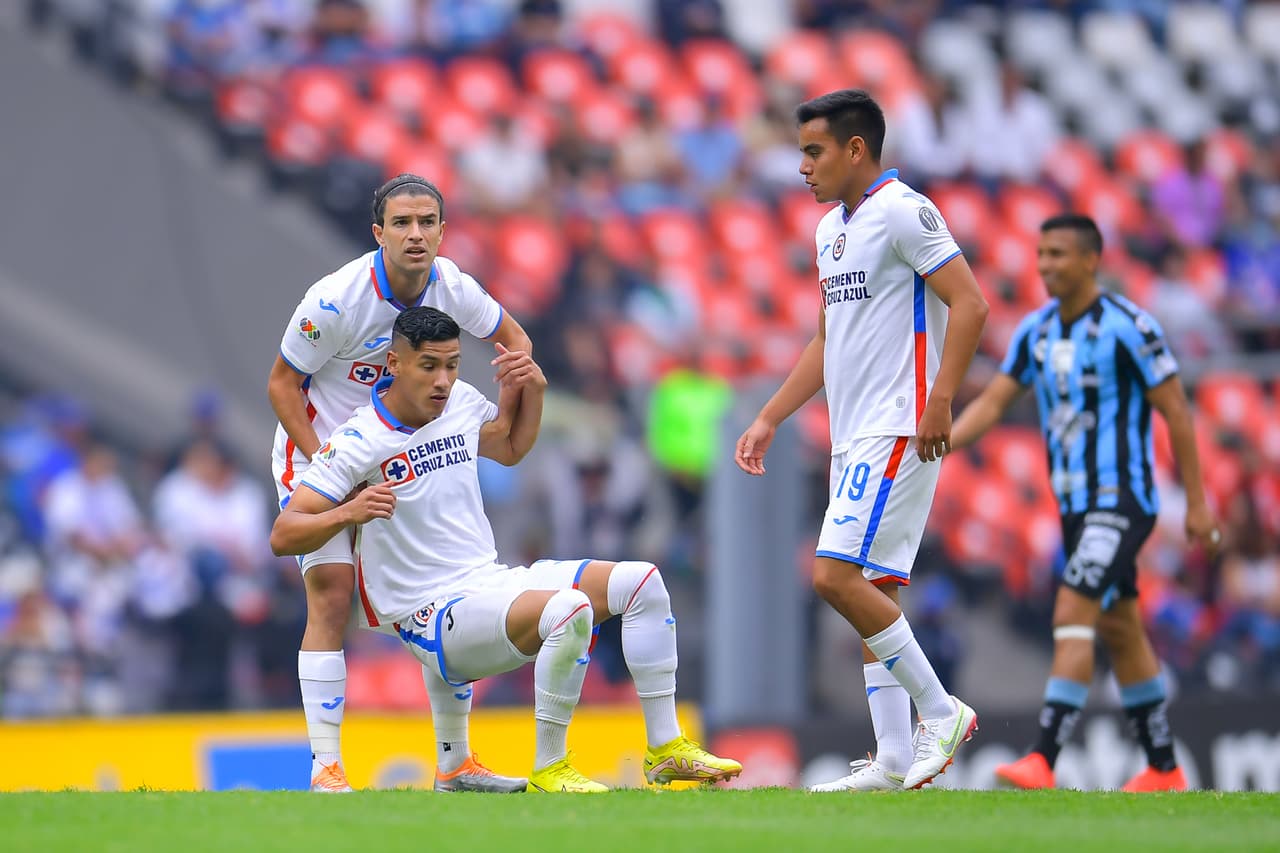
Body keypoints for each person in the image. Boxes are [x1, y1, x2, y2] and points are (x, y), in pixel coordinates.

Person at [270, 307, 741, 792]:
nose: (444, 380)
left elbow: (511, 448)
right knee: (569, 610)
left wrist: (532, 392)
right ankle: (550, 766)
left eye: (452, 365)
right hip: (429, 614)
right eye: (429, 365)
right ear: (394, 363)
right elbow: (284, 533)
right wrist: (349, 512)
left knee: (642, 581)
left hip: (488, 582)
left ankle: (664, 749)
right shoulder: (357, 440)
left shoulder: (461, 403)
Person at [735, 89, 989, 792]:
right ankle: (894, 759)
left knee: (834, 577)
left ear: (855, 149)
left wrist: (940, 399)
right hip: (854, 433)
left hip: (899, 424)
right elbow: (827, 336)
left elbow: (970, 303)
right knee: (868, 587)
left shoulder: (904, 211)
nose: (803, 168)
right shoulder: (830, 232)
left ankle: (942, 711)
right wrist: (771, 415)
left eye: (814, 152)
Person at [266, 174, 532, 793]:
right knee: (330, 597)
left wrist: (505, 392)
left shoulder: (454, 286)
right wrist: (331, 470)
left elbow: (515, 341)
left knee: (447, 586)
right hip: (325, 451)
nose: (417, 235)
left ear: (443, 229)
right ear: (378, 232)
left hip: (404, 451)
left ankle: (456, 764)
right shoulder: (335, 300)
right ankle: (326, 767)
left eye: (428, 223)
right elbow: (282, 384)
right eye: (403, 224)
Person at [950, 214, 1220, 792]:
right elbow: (996, 402)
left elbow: (1176, 408)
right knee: (1121, 630)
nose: (1046, 265)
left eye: (1058, 254)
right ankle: (1165, 769)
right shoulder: (1036, 330)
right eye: (1041, 253)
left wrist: (1196, 502)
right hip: (1072, 504)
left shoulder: (1130, 327)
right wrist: (942, 441)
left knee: (1072, 609)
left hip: (1121, 499)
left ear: (1091, 261)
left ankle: (1043, 756)